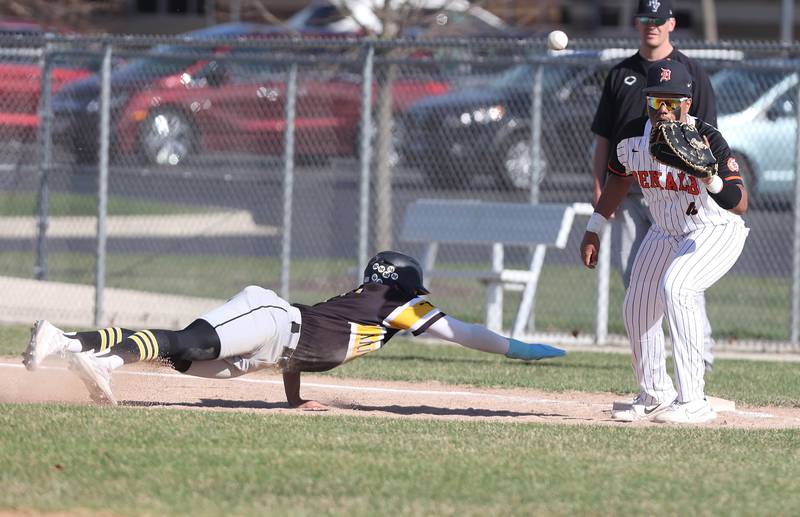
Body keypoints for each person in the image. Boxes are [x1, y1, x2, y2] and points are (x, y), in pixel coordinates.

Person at [22, 250, 566, 409]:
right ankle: (66, 341)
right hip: (272, 318)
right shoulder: (396, 305)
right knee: (188, 343)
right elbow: (469, 334)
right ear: (408, 285)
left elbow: (305, 351)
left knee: (182, 357)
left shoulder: (366, 304)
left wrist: (295, 400)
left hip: (274, 345)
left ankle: (100, 360)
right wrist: (525, 349)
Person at [580, 59, 748, 424]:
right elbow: (619, 180)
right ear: (647, 102)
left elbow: (740, 203)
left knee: (678, 287)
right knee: (636, 307)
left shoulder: (707, 139)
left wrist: (710, 178)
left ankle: (693, 401)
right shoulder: (630, 137)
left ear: (688, 103)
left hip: (714, 229)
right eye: (657, 101)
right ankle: (654, 393)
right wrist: (595, 225)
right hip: (666, 231)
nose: (664, 110)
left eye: (673, 102)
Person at [590, 0, 719, 371]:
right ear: (637, 22)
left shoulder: (692, 72)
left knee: (684, 275)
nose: (652, 25)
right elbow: (603, 138)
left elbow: (707, 136)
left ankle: (700, 354)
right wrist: (600, 188)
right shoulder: (621, 74)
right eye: (646, 18)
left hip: (680, 194)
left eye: (658, 20)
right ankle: (654, 356)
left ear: (671, 24)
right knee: (638, 277)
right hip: (631, 191)